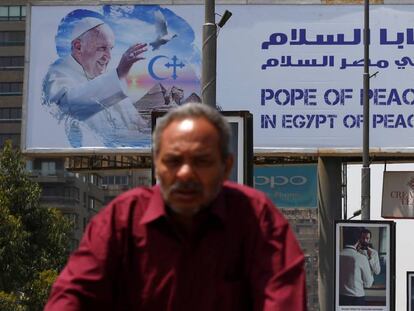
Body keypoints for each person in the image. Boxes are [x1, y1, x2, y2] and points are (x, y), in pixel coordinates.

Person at [45, 102, 307, 310]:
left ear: (226, 167)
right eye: (173, 161)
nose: (185, 174)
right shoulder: (121, 220)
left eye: (201, 161)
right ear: (156, 164)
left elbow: (283, 297)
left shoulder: (257, 219)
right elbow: (73, 297)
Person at [42, 17, 149, 148]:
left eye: (110, 48)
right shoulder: (57, 73)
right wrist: (119, 74)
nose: (108, 57)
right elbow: (64, 108)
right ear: (78, 46)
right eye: (102, 48)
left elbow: (139, 125)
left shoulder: (110, 81)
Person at [339, 226, 374, 306]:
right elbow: (368, 284)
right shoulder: (361, 258)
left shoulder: (337, 256)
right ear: (358, 241)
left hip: (340, 298)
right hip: (357, 300)